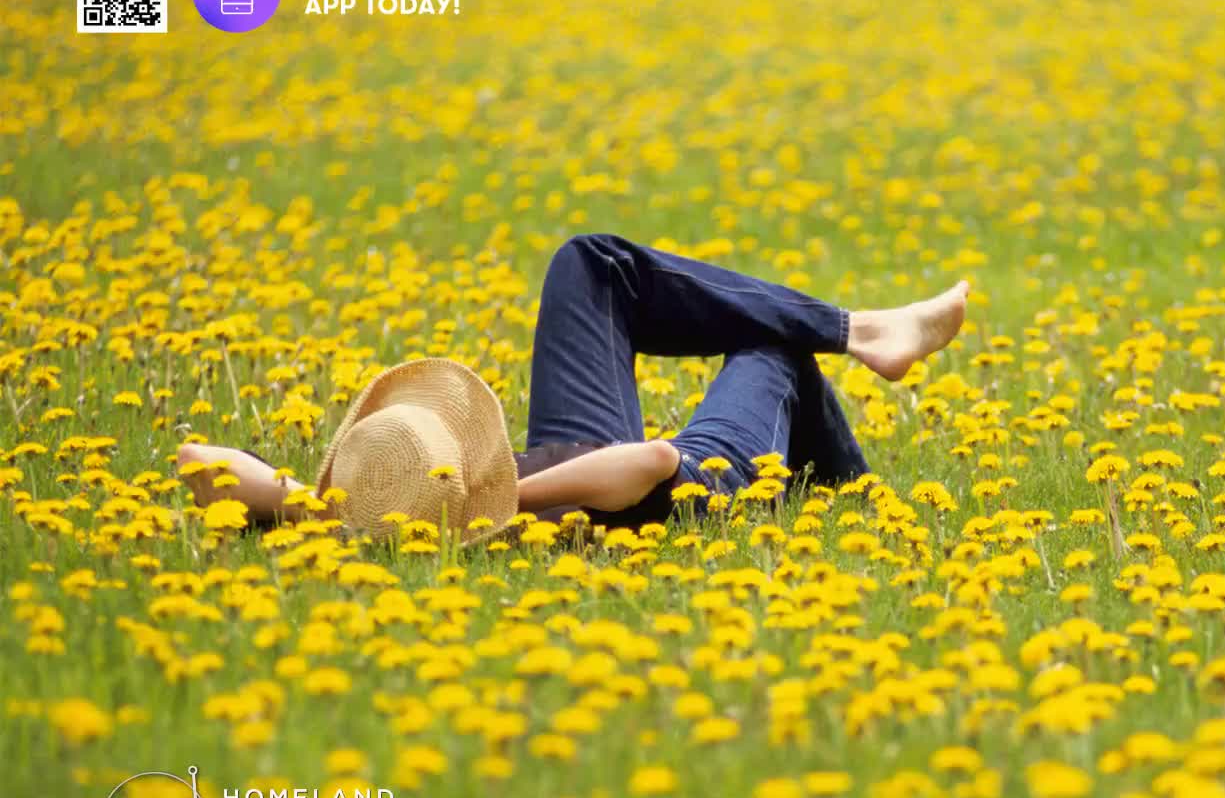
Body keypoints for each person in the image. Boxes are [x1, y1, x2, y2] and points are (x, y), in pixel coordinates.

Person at [177, 233, 969, 537]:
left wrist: (315, 503)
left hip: (565, 448)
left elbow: (197, 460)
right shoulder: (503, 510)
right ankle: (851, 487)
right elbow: (652, 463)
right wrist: (493, 504)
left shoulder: (357, 514)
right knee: (771, 349)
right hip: (693, 486)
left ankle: (858, 332)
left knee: (592, 263)